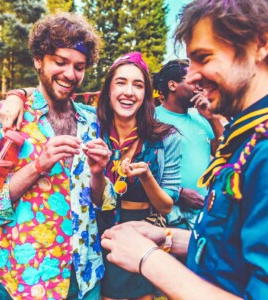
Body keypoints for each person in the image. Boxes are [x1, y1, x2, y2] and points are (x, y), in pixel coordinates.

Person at [101, 0, 268, 298]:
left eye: (203, 57)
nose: (191, 77)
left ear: (260, 44)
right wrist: (168, 238)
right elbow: (234, 250)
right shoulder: (257, 132)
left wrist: (150, 260)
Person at [0, 12, 115, 299]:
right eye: (60, 62)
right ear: (39, 59)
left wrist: (99, 173)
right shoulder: (7, 118)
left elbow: (101, 204)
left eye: (79, 66)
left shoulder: (92, 122)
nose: (69, 74)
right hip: (26, 277)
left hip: (85, 276)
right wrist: (38, 165)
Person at [96, 52, 181, 300]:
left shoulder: (166, 138)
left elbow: (166, 206)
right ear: (109, 89)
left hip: (142, 234)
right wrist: (17, 95)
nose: (129, 92)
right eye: (121, 82)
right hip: (98, 233)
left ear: (146, 94)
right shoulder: (91, 129)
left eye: (138, 85)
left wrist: (146, 176)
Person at [153, 59, 224, 230]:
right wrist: (179, 193)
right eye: (193, 82)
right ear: (172, 85)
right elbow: (144, 168)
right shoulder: (152, 118)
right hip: (169, 215)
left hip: (203, 214)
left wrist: (212, 118)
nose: (200, 87)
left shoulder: (202, 117)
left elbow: (223, 152)